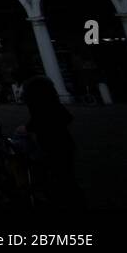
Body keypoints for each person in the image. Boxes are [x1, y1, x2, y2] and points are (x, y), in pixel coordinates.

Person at [20, 75, 81, 206]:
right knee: (67, 177)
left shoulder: (39, 107)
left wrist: (28, 128)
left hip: (51, 147)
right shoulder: (53, 103)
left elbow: (38, 121)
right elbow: (67, 118)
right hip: (65, 144)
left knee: (58, 178)